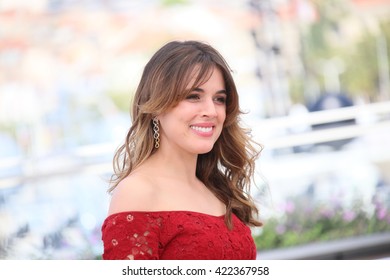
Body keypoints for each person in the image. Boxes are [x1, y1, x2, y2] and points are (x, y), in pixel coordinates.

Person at [101, 40, 262, 260]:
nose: (211, 111)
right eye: (193, 96)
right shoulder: (137, 192)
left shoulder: (214, 186)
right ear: (156, 107)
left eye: (219, 99)